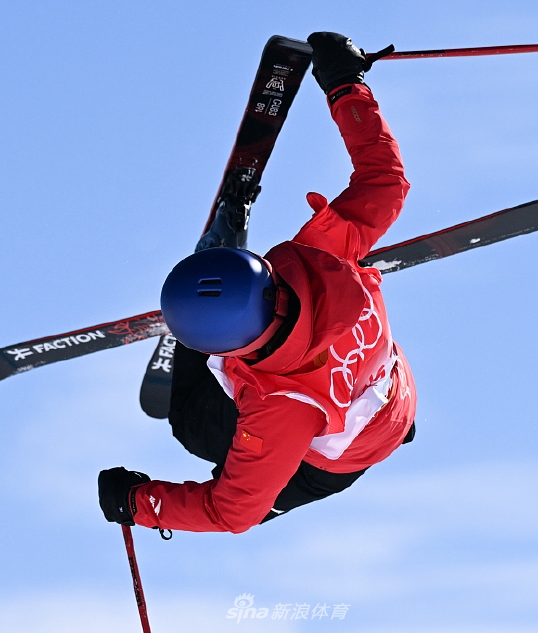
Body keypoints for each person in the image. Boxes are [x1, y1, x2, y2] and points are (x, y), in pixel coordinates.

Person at [98, 32, 417, 534]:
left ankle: (188, 332)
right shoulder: (324, 257)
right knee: (208, 422)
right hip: (387, 404)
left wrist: (138, 503)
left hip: (335, 454)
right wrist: (345, 86)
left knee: (188, 419)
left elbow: (232, 511)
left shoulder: (278, 411)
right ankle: (198, 308)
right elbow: (385, 181)